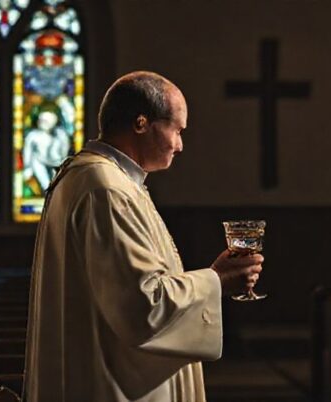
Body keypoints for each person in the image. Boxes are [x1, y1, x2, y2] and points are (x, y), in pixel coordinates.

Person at [23, 71, 264, 402]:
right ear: (141, 123)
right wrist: (217, 281)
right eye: (177, 130)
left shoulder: (101, 179)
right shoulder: (105, 189)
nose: (180, 145)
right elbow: (142, 306)